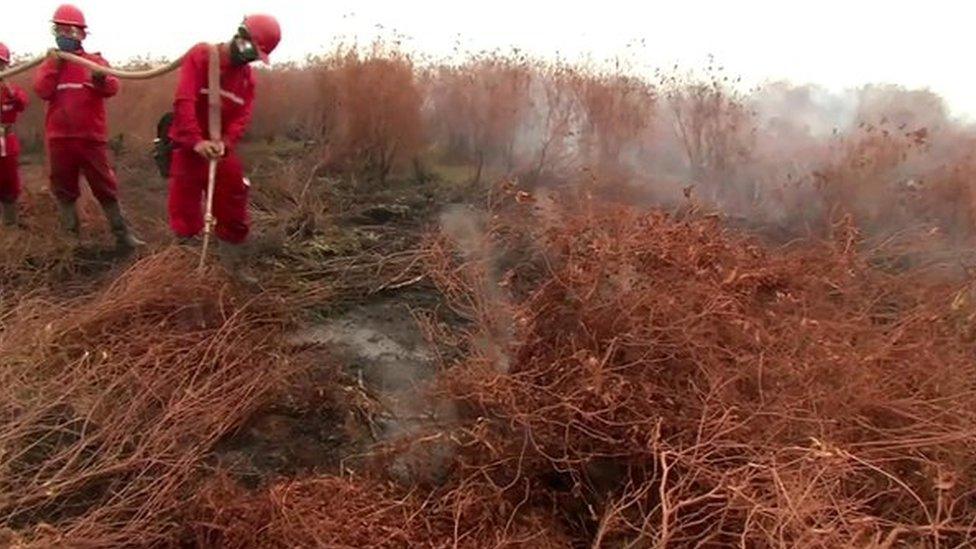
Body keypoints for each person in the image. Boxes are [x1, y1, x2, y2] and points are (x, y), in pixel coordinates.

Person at [167, 14, 281, 281]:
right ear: (241, 36)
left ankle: (233, 268)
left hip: (219, 150)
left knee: (233, 197)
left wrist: (225, 142)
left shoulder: (246, 80)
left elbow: (242, 116)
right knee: (184, 209)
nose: (252, 57)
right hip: (189, 147)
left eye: (257, 55)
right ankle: (184, 269)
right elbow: (184, 101)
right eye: (252, 50)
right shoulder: (202, 56)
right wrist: (197, 141)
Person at [33, 4, 142, 248]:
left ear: (82, 34)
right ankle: (72, 240)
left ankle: (123, 235)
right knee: (64, 188)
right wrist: (55, 65)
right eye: (59, 30)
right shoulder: (49, 65)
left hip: (90, 138)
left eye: (70, 31)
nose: (65, 36)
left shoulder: (95, 61)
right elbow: (42, 90)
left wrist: (99, 79)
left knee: (105, 185)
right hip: (60, 139)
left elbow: (113, 87)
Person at [0, 42, 29, 227]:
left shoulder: (12, 90)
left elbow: (22, 104)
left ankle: (10, 226)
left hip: (6, 139)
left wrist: (10, 91)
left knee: (9, 183)